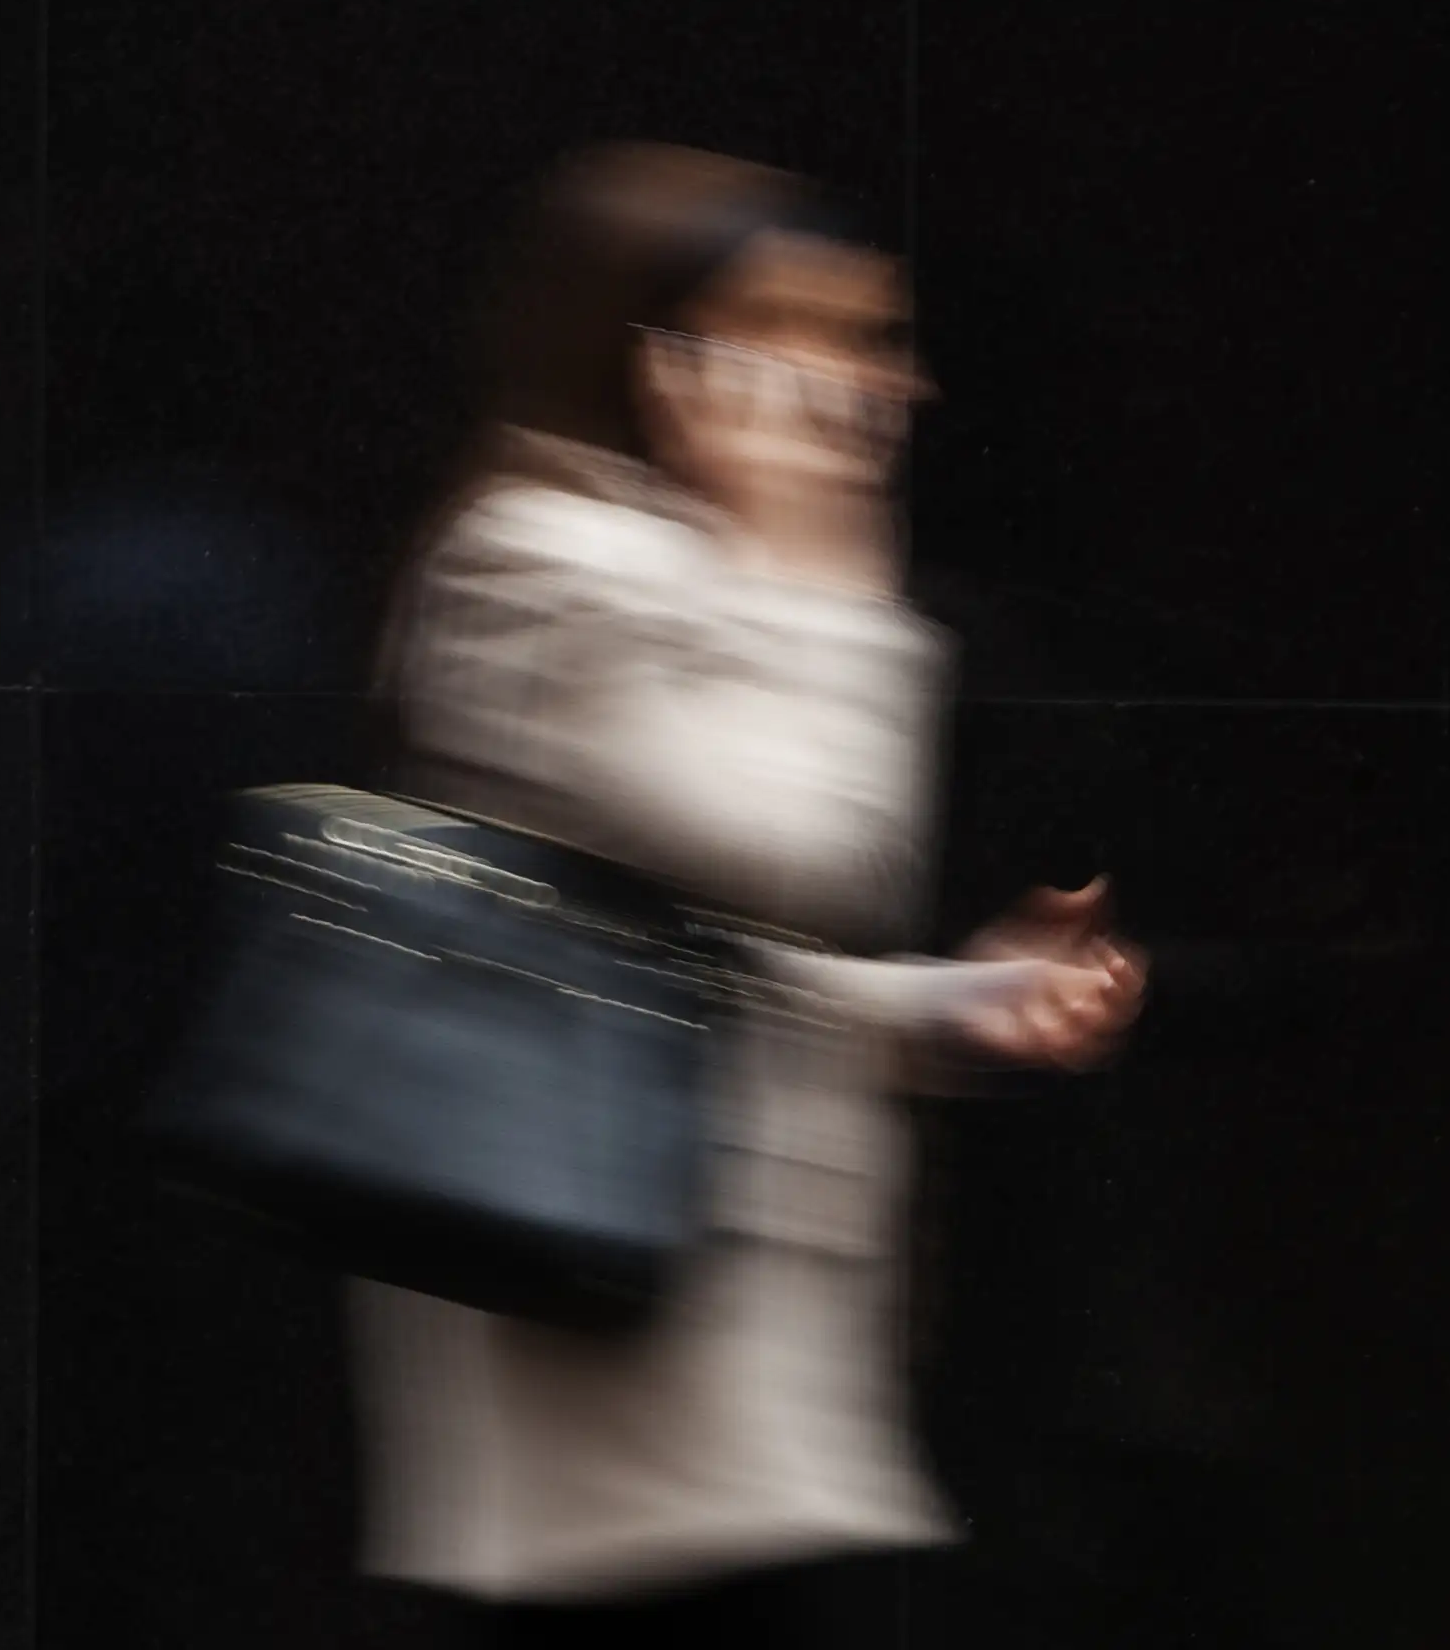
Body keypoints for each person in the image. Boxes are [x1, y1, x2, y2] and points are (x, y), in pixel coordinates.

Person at [353, 144, 1144, 1650]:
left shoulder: (663, 569)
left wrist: (967, 1007)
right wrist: (826, 573)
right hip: (619, 1370)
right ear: (659, 354)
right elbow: (809, 852)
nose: (878, 385)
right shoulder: (545, 562)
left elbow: (691, 961)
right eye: (816, 330)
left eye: (876, 337)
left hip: (712, 1368)